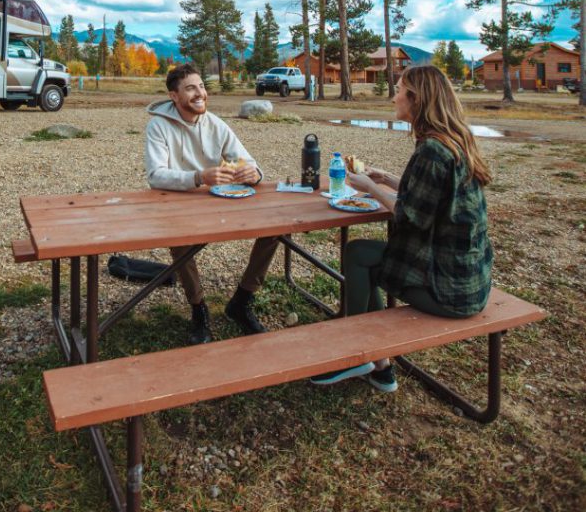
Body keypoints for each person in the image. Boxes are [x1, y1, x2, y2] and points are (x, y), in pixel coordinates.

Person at [310, 64, 493, 393]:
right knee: (365, 257)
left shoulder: (433, 152)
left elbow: (410, 215)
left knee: (358, 254)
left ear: (417, 99)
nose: (393, 97)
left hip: (448, 289)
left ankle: (356, 353)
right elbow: (432, 197)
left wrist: (369, 187)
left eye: (398, 90)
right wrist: (388, 178)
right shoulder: (453, 142)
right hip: (471, 279)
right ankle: (380, 366)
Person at [144, 63, 280, 345]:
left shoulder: (216, 124)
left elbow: (249, 162)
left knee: (277, 226)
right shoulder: (158, 125)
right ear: (174, 96)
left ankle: (242, 300)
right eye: (191, 88)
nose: (200, 93)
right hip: (178, 202)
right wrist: (199, 176)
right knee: (180, 239)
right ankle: (198, 308)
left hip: (219, 199)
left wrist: (253, 173)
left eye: (202, 86)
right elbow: (155, 176)